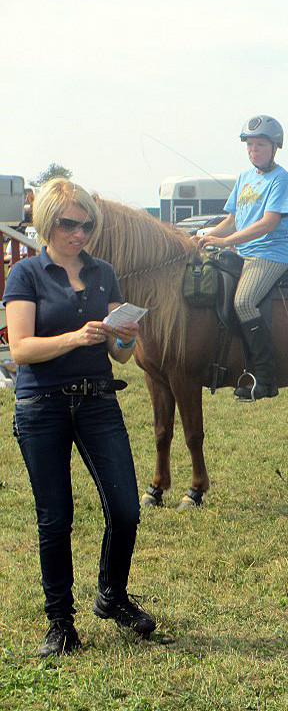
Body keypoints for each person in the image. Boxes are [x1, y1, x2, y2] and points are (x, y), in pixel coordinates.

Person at [3, 179, 156, 657]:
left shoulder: (103, 272)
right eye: (70, 224)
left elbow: (121, 355)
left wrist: (125, 336)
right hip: (41, 406)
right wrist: (75, 337)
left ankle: (111, 595)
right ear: (48, 222)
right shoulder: (25, 274)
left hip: (97, 401)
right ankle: (61, 624)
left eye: (87, 224)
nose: (80, 233)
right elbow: (21, 350)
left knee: (127, 509)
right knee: (56, 517)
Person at [198, 115, 288, 400]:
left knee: (243, 301)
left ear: (274, 146)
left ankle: (265, 378)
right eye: (250, 144)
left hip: (270, 255)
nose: (254, 150)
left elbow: (269, 222)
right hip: (243, 253)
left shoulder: (281, 179)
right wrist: (206, 237)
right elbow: (232, 219)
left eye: (260, 144)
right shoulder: (244, 178)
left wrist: (226, 241)